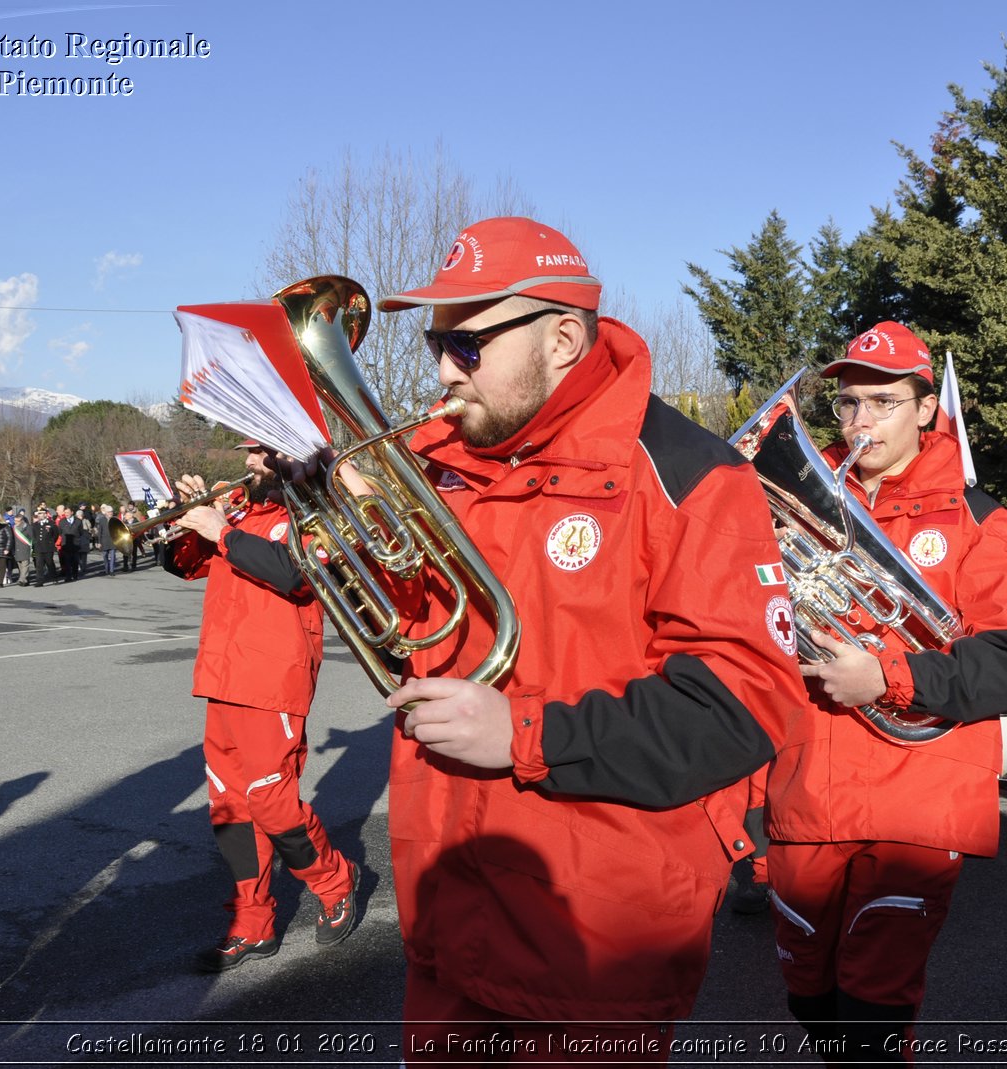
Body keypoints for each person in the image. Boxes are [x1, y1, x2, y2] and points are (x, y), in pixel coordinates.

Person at [344, 216, 806, 1062]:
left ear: (561, 337)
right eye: (436, 344)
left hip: (596, 943)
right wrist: (334, 521)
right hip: (449, 909)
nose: (445, 371)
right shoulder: (438, 454)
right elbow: (406, 622)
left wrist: (523, 732)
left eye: (469, 346)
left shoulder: (691, 472)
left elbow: (743, 706)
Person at [761, 322, 1007, 1061]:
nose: (861, 422)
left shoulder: (979, 517)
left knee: (872, 1016)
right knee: (808, 1000)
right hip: (804, 786)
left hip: (913, 801)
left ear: (927, 408)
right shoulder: (789, 499)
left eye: (883, 402)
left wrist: (887, 675)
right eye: (849, 404)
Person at [165, 443, 359, 973]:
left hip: (273, 679)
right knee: (228, 808)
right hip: (221, 677)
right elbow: (178, 565)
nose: (249, 464)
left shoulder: (318, 514)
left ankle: (335, 879)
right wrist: (188, 518)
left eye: (260, 453)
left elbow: (295, 575)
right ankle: (252, 920)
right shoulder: (241, 511)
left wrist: (222, 532)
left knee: (273, 804)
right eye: (248, 453)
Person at [31, 507, 58, 588]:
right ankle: (40, 581)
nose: (40, 515)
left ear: (46, 514)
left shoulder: (51, 523)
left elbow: (55, 534)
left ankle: (54, 577)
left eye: (41, 513)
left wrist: (51, 541)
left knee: (49, 562)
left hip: (48, 547)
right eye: (39, 513)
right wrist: (35, 543)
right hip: (39, 547)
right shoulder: (35, 525)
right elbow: (34, 535)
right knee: (39, 564)